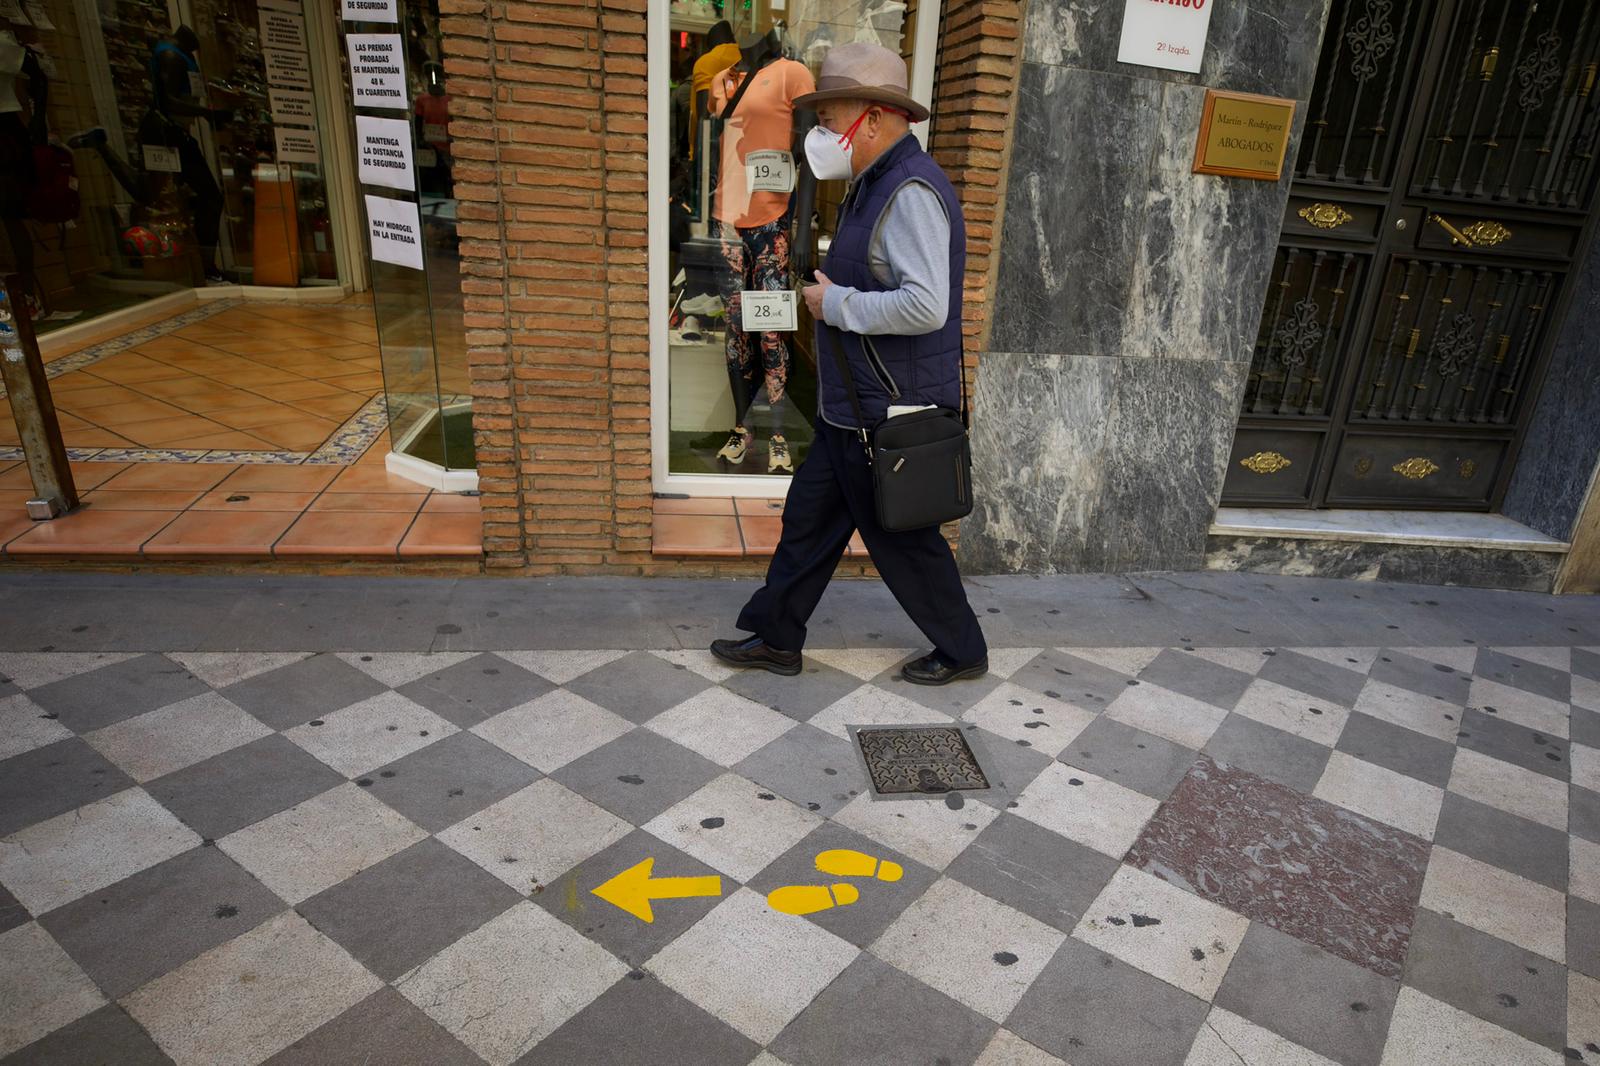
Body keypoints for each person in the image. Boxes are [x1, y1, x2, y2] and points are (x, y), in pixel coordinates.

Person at [710, 43, 987, 687]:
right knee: (809, 520)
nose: (822, 134)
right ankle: (778, 636)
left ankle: (963, 647)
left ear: (877, 117)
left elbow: (925, 306)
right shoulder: (874, 182)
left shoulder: (910, 190)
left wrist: (836, 302)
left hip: (887, 407)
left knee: (903, 539)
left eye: (831, 119)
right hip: (854, 406)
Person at [137, 25, 231, 282]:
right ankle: (202, 266)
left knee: (193, 198)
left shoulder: (179, 54)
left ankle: (199, 266)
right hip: (167, 135)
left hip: (175, 134)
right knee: (205, 197)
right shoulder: (171, 56)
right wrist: (206, 114)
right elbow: (166, 101)